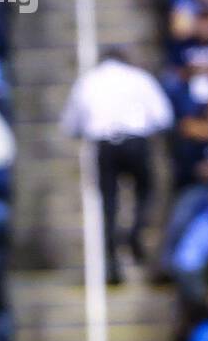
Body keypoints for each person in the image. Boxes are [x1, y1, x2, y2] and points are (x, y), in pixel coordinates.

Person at [59, 48, 174, 283]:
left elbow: (70, 125)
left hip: (105, 146)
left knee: (108, 205)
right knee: (146, 190)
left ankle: (112, 265)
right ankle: (135, 231)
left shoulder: (88, 81)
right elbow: (163, 117)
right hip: (135, 142)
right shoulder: (139, 78)